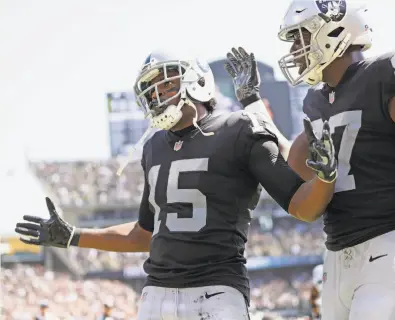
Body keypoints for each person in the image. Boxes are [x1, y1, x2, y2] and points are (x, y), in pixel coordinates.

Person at [15, 51, 337, 320]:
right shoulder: (154, 147)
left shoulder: (239, 128)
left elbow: (300, 205)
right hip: (156, 294)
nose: (156, 95)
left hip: (216, 292)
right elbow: (145, 233)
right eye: (151, 88)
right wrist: (74, 236)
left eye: (165, 84)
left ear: (196, 81)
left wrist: (325, 178)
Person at [225, 1, 395, 319]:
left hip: (386, 242)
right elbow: (293, 163)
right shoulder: (316, 100)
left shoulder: (383, 73)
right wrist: (252, 103)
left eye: (299, 36)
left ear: (332, 29)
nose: (294, 48)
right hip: (336, 252)